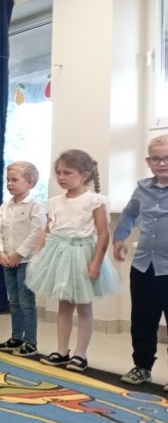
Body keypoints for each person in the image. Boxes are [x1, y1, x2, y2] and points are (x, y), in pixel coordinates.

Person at [27, 149, 118, 372]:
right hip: (59, 255)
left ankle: (80, 354)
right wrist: (37, 254)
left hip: (82, 255)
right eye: (58, 172)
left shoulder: (94, 201)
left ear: (84, 175)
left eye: (67, 173)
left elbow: (103, 233)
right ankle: (61, 350)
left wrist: (97, 262)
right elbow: (48, 229)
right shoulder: (55, 202)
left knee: (84, 306)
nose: (61, 177)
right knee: (64, 305)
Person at [113, 135, 168, 388]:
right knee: (142, 321)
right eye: (156, 158)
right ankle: (142, 367)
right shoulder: (142, 188)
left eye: (167, 158)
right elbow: (129, 215)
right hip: (144, 266)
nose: (162, 163)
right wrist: (120, 239)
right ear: (148, 161)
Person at [0, 161, 45, 357]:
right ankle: (16, 337)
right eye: (8, 180)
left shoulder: (35, 205)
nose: (9, 184)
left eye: (14, 180)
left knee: (26, 302)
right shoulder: (5, 206)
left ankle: (30, 341)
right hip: (8, 260)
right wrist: (0, 252)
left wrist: (19, 254)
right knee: (13, 301)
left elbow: (37, 233)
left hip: (25, 262)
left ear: (30, 183)